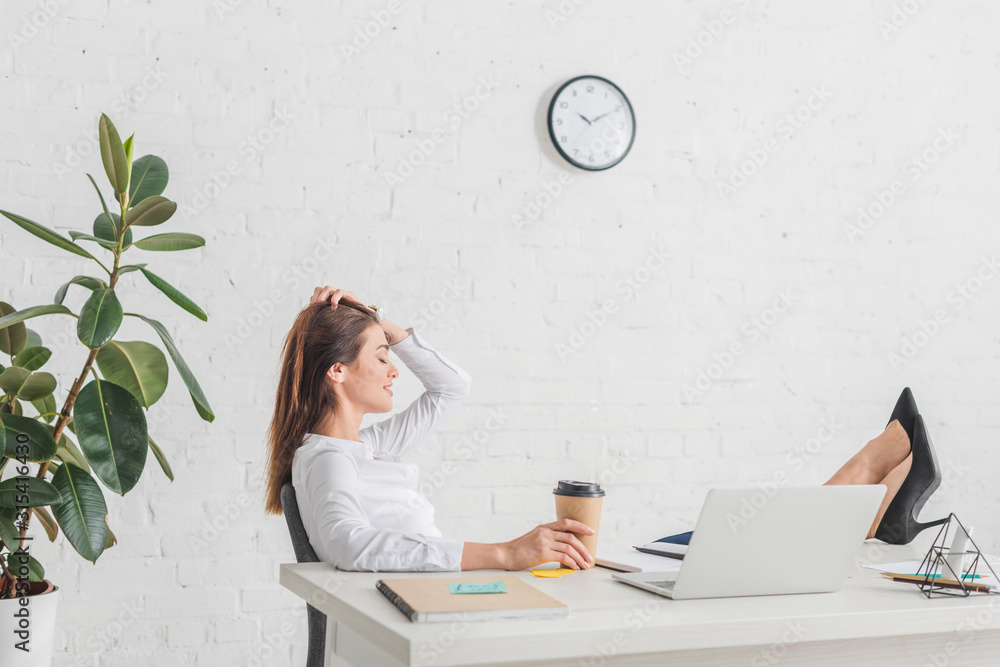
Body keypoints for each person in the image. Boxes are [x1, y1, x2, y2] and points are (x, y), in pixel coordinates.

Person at [263, 287, 937, 572]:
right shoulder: (327, 461)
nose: (393, 369)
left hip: (469, 588)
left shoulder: (363, 446)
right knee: (711, 555)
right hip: (461, 596)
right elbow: (351, 545)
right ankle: (877, 482)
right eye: (379, 356)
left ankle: (874, 484)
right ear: (336, 372)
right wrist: (505, 552)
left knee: (689, 554)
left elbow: (452, 387)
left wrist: (386, 323)